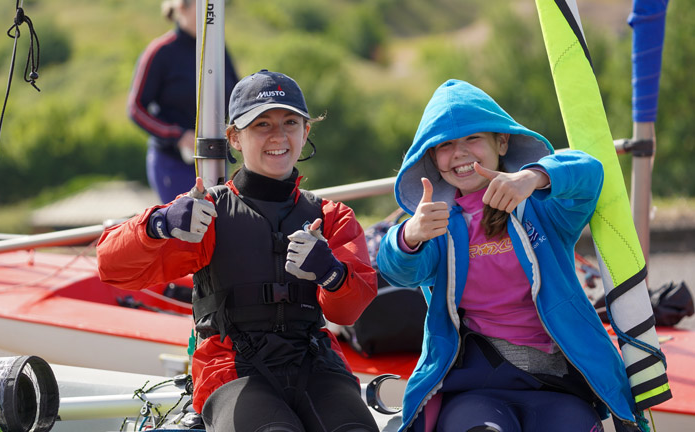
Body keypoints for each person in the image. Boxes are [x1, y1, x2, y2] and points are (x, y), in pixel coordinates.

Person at [98, 70, 379, 432]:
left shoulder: (331, 217)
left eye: (290, 122)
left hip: (316, 365)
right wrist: (159, 223)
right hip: (233, 369)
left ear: (305, 132)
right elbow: (112, 267)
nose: (278, 135)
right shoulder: (205, 214)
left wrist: (331, 273)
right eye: (262, 124)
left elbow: (350, 311)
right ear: (234, 138)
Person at [377, 79, 643, 432]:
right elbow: (399, 272)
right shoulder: (434, 224)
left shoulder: (543, 207)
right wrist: (408, 236)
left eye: (473, 138)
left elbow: (590, 172)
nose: (459, 153)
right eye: (445, 145)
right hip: (473, 387)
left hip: (558, 386)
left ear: (501, 141)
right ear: (431, 157)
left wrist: (533, 178)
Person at [128, 0, 239, 203]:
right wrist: (178, 135)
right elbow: (136, 108)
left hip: (217, 157)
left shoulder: (218, 48)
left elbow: (237, 96)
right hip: (174, 163)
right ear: (181, 7)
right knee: (187, 226)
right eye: (203, 5)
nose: (210, 11)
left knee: (219, 227)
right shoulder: (160, 51)